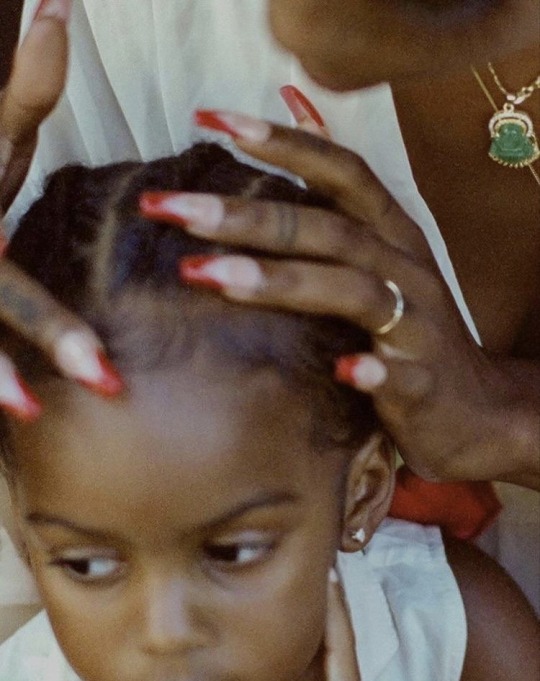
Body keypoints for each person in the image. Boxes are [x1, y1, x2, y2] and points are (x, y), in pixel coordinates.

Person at [0, 0, 538, 621]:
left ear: (364, 492)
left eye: (235, 551)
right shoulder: (97, 34)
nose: (284, 26)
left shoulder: (470, 632)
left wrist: (513, 429)